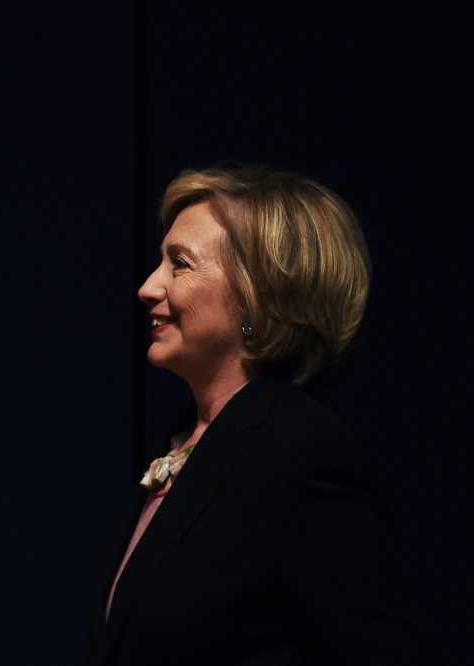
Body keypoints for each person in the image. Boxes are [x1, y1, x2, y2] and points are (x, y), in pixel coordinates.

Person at [86, 165, 438, 665]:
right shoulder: (188, 442)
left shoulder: (298, 452)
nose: (148, 286)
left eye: (179, 264)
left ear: (258, 294)